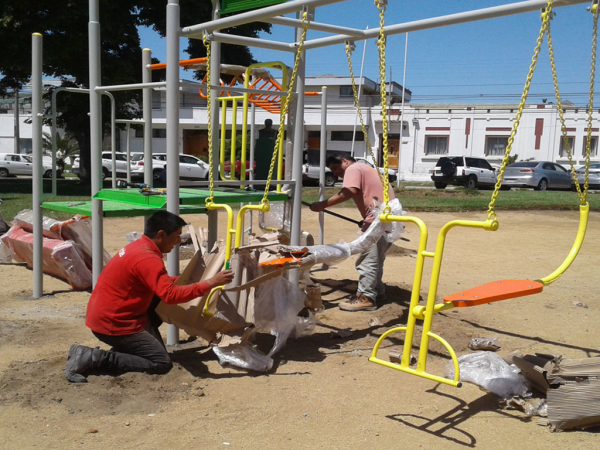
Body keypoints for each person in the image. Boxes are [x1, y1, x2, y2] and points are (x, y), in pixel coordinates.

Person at [64, 211, 234, 383]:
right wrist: (210, 283)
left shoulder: (138, 247)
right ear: (161, 234)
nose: (178, 242)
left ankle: (133, 347)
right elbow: (170, 295)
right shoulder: (147, 258)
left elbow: (161, 284)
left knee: (157, 300)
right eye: (176, 237)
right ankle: (93, 357)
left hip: (109, 315)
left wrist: (193, 279)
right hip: (115, 323)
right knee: (160, 362)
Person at [310, 154, 395, 312]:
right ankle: (377, 291)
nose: (335, 173)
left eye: (335, 168)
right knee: (375, 259)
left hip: (380, 220)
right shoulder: (367, 169)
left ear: (344, 161)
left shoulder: (353, 168)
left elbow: (348, 191)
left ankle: (366, 298)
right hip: (388, 218)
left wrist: (323, 205)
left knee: (366, 259)